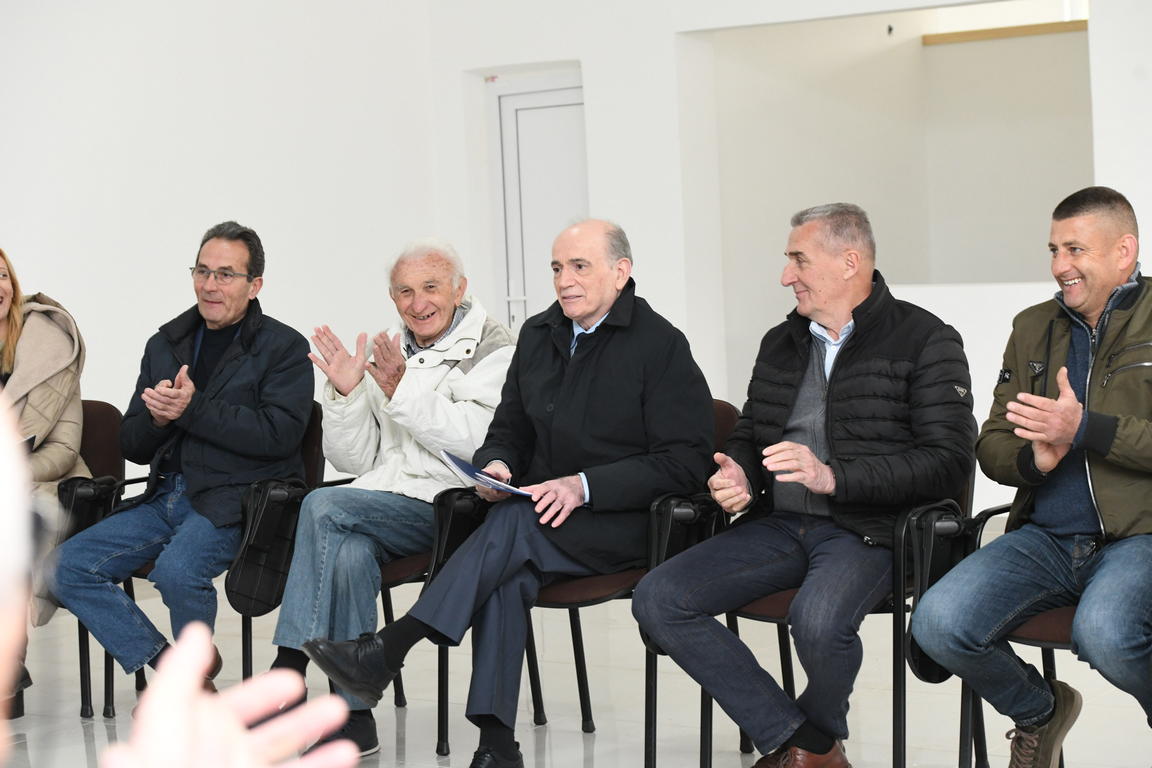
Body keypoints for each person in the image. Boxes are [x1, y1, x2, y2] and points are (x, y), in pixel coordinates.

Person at [303, 219, 714, 768]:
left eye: (580, 266)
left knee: (512, 529)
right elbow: (510, 428)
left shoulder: (661, 345)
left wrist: (584, 486)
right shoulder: (540, 335)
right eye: (557, 267)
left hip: (627, 520)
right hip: (544, 515)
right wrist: (497, 465)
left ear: (621, 272)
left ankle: (391, 647)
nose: (564, 280)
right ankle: (496, 746)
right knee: (507, 568)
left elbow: (685, 462)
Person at [632, 203, 976, 768]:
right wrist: (739, 471)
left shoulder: (926, 339)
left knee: (816, 621)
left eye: (799, 260)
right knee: (659, 598)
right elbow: (751, 431)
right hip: (780, 523)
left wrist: (834, 477)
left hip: (870, 529)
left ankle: (806, 749)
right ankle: (809, 744)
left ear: (849, 262)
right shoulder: (781, 341)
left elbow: (948, 462)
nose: (785, 276)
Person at [911, 186, 1152, 768]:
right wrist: (1035, 461)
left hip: (1139, 537)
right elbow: (992, 441)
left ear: (1124, 251)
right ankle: (1040, 712)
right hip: (1046, 539)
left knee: (1107, 634)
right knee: (937, 624)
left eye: (1075, 249)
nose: (1060, 265)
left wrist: (1085, 428)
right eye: (1053, 250)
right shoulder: (1032, 326)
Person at [269, 238, 514, 756]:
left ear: (459, 290)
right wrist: (345, 395)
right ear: (392, 297)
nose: (418, 303)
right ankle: (355, 717)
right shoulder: (390, 349)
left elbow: (477, 443)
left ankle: (287, 669)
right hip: (384, 501)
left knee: (321, 504)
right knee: (349, 554)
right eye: (405, 291)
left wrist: (404, 393)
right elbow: (356, 461)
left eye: (431, 287)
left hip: (454, 507)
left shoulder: (495, 348)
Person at [50, 221, 313, 685]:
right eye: (202, 271)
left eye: (225, 275)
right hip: (164, 495)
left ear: (254, 285)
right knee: (64, 568)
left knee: (177, 572)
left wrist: (192, 410)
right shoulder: (165, 344)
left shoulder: (284, 347)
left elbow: (279, 436)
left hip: (235, 499)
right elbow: (133, 445)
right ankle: (177, 670)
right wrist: (158, 420)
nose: (210, 285)